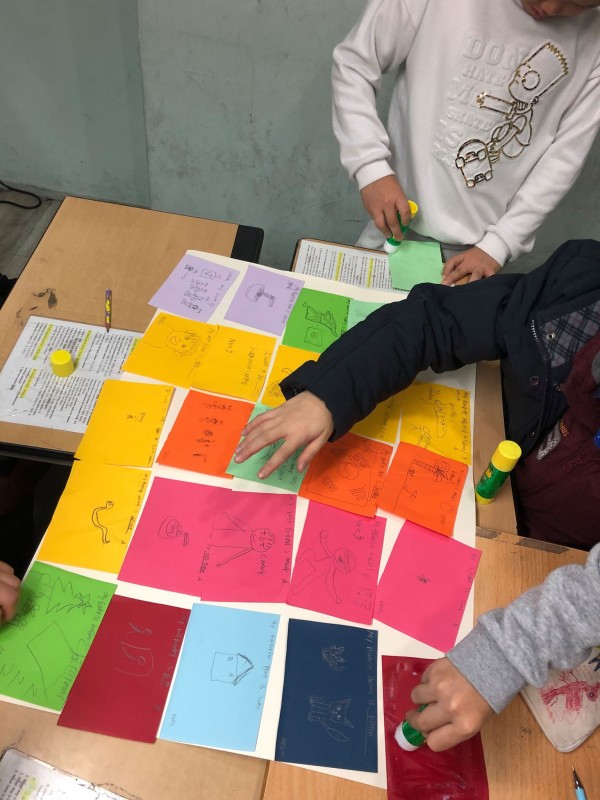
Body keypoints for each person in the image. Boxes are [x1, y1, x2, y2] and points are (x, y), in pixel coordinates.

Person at [234, 238, 600, 749]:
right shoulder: (578, 288)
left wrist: (506, 654)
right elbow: (433, 319)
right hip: (495, 487)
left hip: (552, 567)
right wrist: (328, 394)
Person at [331, 0, 600, 283]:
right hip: (394, 231)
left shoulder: (593, 41)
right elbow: (355, 65)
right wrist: (370, 168)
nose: (549, 8)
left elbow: (564, 157)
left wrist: (500, 244)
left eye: (577, 4)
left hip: (473, 259)